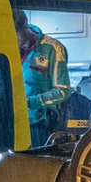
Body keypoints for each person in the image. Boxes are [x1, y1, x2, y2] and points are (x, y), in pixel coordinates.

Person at [16, 12, 72, 146]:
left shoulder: (52, 48)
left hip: (39, 124)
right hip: (13, 121)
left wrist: (29, 102)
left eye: (15, 34)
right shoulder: (9, 45)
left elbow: (63, 91)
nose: (12, 39)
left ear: (25, 27)